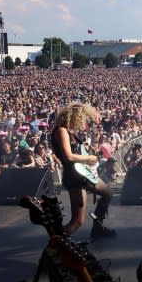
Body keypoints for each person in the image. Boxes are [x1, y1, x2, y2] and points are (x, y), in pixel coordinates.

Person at [51, 102, 116, 238]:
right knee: (77, 221)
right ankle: (56, 243)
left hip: (83, 173)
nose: (83, 122)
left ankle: (97, 227)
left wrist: (89, 155)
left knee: (107, 193)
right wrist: (88, 158)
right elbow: (68, 156)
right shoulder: (61, 130)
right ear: (74, 116)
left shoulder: (69, 132)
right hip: (75, 176)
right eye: (82, 118)